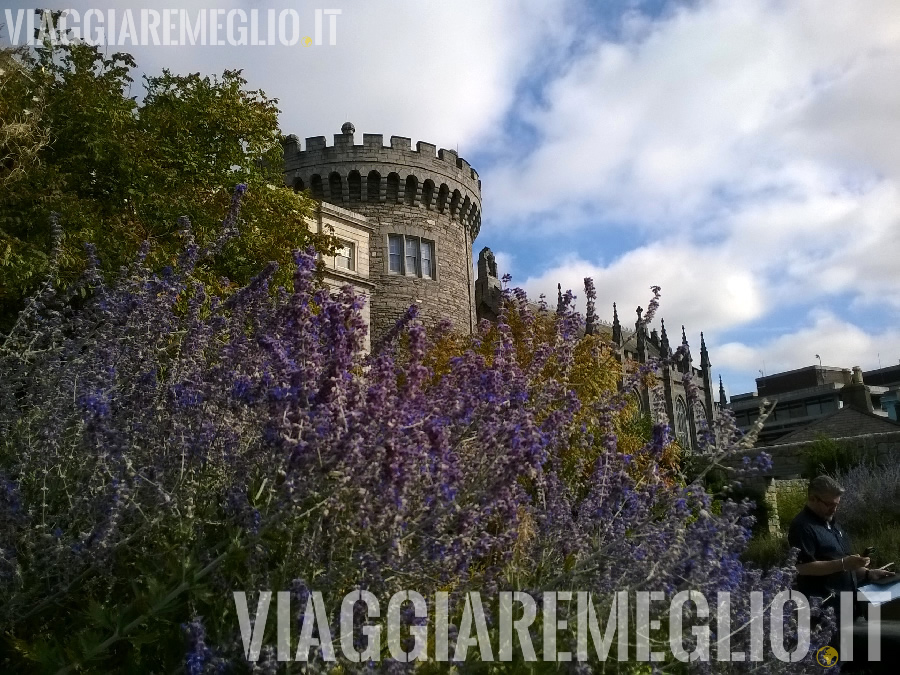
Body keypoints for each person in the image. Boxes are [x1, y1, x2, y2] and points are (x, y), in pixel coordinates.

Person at [788, 475, 899, 671]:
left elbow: (844, 561)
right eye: (830, 504)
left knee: (855, 663)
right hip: (823, 613)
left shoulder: (832, 523)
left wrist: (867, 572)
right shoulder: (802, 527)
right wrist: (843, 564)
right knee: (830, 664)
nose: (834, 508)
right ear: (813, 499)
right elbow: (802, 567)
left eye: (837, 504)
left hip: (849, 607)